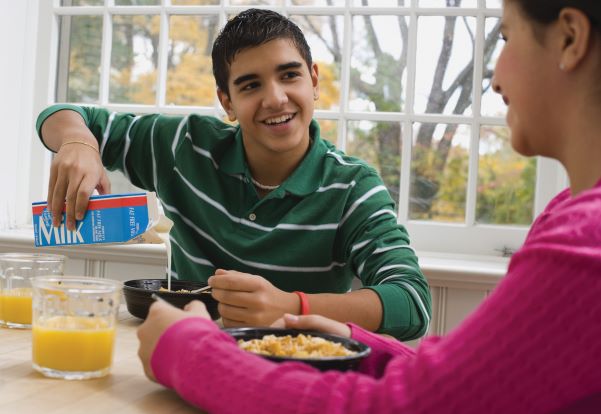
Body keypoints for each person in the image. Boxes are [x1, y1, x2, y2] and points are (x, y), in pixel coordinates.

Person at [136, 1, 601, 413]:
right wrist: (360, 343)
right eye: (251, 85)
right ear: (227, 102)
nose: (495, 76)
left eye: (506, 37)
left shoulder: (584, 243)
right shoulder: (566, 211)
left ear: (570, 39)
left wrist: (188, 351)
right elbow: (475, 387)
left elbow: (401, 405)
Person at [35, 9, 431, 339]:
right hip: (181, 361)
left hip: (295, 378)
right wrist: (79, 144)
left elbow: (412, 302)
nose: (275, 98)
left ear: (314, 80)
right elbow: (63, 116)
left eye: (289, 75)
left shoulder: (352, 188)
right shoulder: (183, 147)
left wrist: (291, 305)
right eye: (250, 85)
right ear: (227, 101)